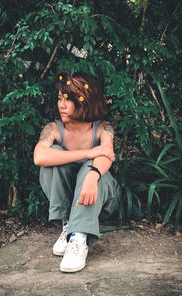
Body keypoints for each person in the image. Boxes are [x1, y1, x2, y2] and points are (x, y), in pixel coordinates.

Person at [33, 70, 120, 273]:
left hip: (100, 198)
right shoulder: (53, 128)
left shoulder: (103, 128)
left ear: (85, 101)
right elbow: (39, 157)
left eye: (68, 100)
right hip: (71, 199)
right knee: (53, 154)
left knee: (92, 168)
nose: (61, 105)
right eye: (59, 99)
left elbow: (106, 154)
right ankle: (68, 226)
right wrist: (89, 152)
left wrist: (91, 176)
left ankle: (79, 237)